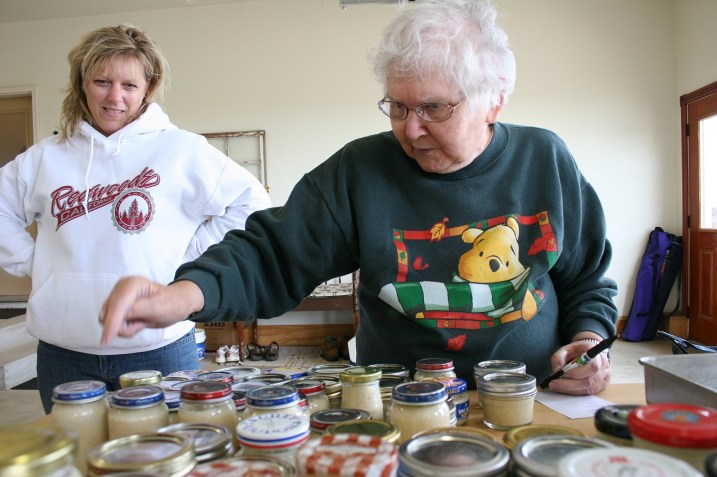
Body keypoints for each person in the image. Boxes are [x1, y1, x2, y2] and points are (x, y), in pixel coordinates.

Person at [100, 0, 618, 396]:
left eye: (434, 109)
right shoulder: (359, 169)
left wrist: (587, 341)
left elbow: (586, 280)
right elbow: (274, 253)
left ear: (494, 99)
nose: (410, 131)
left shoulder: (545, 159)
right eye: (396, 106)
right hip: (396, 401)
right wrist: (184, 293)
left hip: (529, 395)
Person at [0, 24, 271, 413]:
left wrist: (188, 259)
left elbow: (253, 203)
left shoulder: (181, 149)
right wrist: (36, 261)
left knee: (170, 462)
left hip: (161, 350)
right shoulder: (45, 157)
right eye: (101, 81)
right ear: (81, 83)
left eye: (129, 85)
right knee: (77, 465)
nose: (115, 97)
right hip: (64, 353)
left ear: (148, 88)